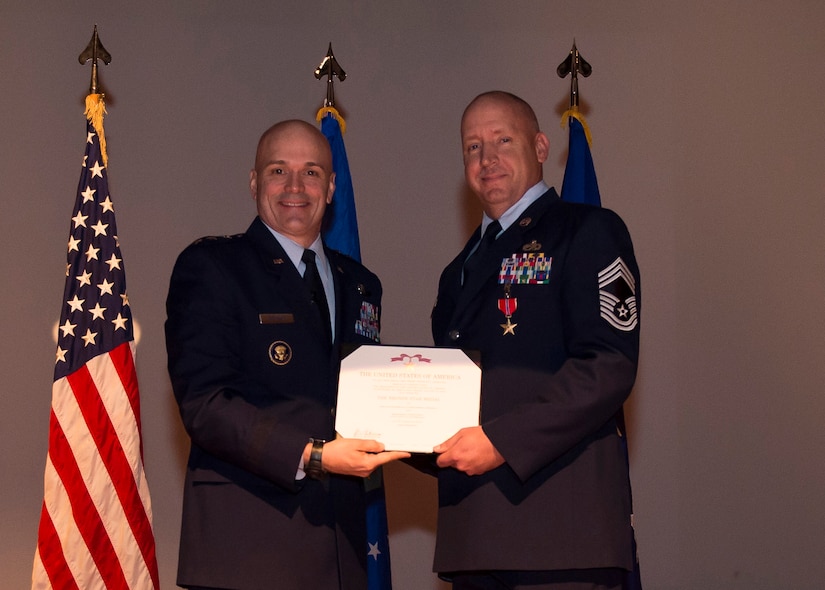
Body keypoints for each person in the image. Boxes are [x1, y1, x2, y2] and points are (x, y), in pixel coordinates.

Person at [165, 120, 409, 590]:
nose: (295, 186)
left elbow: (366, 401)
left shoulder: (361, 283)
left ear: (332, 187)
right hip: (249, 549)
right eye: (279, 170)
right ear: (254, 182)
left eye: (312, 172)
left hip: (344, 551)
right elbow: (205, 404)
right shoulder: (213, 267)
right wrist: (313, 456)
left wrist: (438, 433)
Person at [429, 91, 641, 589]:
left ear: (541, 146)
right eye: (473, 147)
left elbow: (607, 365)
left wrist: (500, 441)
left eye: (504, 140)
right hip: (476, 538)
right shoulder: (457, 271)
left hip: (560, 538)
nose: (488, 159)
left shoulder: (589, 232)